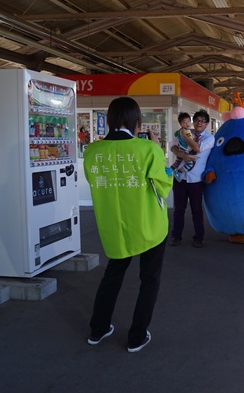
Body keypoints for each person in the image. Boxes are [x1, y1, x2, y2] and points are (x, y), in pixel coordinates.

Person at [83, 96, 173, 353]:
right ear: (137, 121)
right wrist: (160, 153)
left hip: (114, 227)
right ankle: (137, 335)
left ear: (109, 119)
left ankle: (97, 329)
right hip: (148, 226)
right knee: (149, 279)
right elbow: (164, 187)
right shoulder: (148, 150)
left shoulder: (92, 152)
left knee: (112, 275)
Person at [169, 109, 215, 248]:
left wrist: (184, 134)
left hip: (196, 180)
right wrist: (182, 155)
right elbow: (172, 145)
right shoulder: (188, 132)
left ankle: (198, 237)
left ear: (206, 124)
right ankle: (176, 236)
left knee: (196, 210)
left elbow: (197, 148)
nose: (198, 123)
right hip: (180, 178)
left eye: (202, 121)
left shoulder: (209, 138)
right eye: (196, 120)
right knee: (179, 210)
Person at [169, 112, 200, 181]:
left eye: (188, 121)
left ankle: (169, 170)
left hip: (180, 149)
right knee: (190, 164)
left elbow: (175, 134)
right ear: (181, 124)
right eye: (184, 122)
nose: (187, 123)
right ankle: (179, 172)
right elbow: (190, 141)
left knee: (177, 162)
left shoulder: (180, 131)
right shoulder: (187, 132)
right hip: (185, 150)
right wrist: (194, 139)